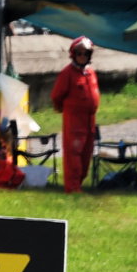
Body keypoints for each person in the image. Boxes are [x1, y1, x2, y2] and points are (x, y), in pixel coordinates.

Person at [51, 37, 100, 194]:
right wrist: (63, 109)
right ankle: (72, 188)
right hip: (74, 120)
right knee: (74, 153)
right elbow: (56, 96)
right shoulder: (67, 73)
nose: (82, 56)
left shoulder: (90, 73)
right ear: (74, 54)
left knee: (86, 153)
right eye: (79, 53)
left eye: (85, 53)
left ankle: (78, 183)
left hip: (89, 120)